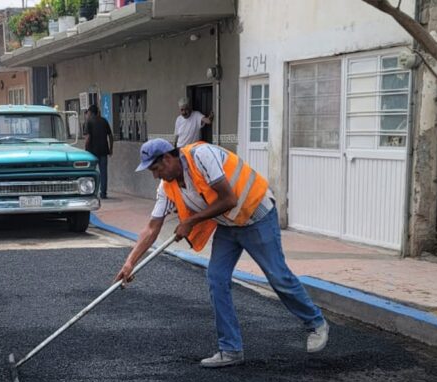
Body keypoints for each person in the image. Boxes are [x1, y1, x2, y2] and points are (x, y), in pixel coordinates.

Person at [115, 138, 329, 368]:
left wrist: (192, 221)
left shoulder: (202, 156)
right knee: (217, 278)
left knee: (277, 276)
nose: (155, 176)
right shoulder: (167, 188)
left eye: (156, 169)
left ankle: (316, 323)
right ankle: (230, 349)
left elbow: (229, 198)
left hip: (256, 215)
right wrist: (130, 263)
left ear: (168, 158)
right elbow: (152, 228)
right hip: (229, 225)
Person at [84, 104, 113, 199]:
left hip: (91, 152)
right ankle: (103, 193)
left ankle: (91, 191)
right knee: (103, 173)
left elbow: (88, 137)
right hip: (104, 151)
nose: (87, 114)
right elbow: (111, 136)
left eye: (88, 112)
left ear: (91, 112)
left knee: (91, 173)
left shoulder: (89, 122)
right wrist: (111, 148)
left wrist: (85, 150)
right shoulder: (104, 121)